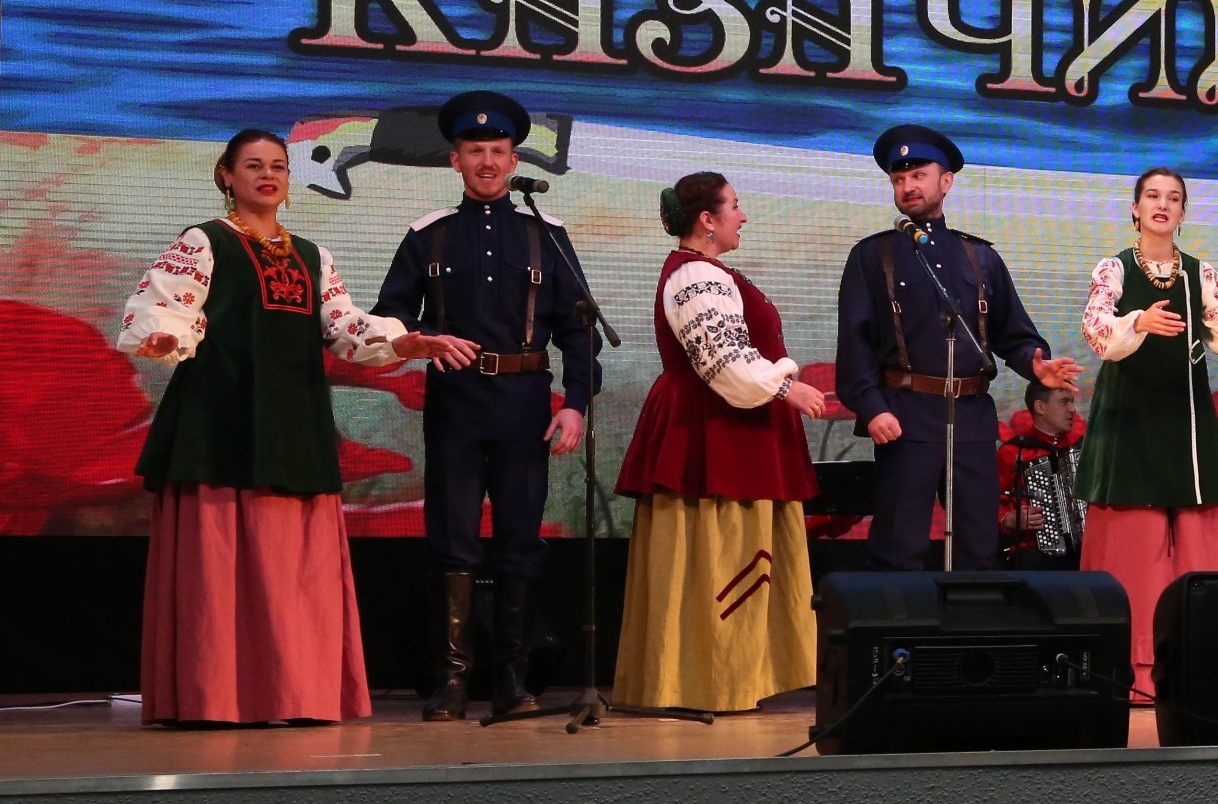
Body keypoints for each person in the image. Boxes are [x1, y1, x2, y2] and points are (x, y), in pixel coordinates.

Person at [117, 129, 470, 725]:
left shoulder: (312, 255)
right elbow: (166, 307)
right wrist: (164, 335)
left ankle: (296, 693)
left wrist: (401, 341)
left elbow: (343, 327)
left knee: (294, 562)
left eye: (278, 166)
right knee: (217, 560)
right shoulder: (205, 241)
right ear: (226, 175)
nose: (268, 175)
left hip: (294, 416)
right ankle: (215, 696)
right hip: (221, 417)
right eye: (253, 165)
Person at [371, 90, 597, 720]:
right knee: (453, 540)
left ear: (515, 159)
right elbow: (390, 315)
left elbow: (579, 329)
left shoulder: (546, 235)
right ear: (456, 161)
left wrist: (576, 403)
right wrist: (419, 338)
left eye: (498, 151)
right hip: (456, 403)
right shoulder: (429, 235)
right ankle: (450, 682)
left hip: (526, 403)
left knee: (521, 539)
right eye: (475, 151)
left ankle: (513, 682)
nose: (488, 162)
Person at [1080, 167, 1218, 693]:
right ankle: (1135, 669)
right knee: (1135, 548)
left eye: (1173, 198)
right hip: (1131, 423)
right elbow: (1097, 332)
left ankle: (1196, 665)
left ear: (1183, 212)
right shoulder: (1113, 269)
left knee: (1196, 542)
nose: (1162, 205)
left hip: (1186, 425)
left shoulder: (1199, 276)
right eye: (1152, 196)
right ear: (1135, 208)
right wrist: (1137, 322)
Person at [613, 173, 826, 712]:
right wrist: (787, 387)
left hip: (731, 426)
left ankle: (731, 678)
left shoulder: (707, 272)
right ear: (707, 220)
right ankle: (711, 681)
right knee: (719, 549)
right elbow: (724, 361)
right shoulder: (696, 277)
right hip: (714, 430)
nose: (743, 215)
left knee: (727, 550)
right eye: (735, 205)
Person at [835, 125, 1082, 570]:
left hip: (971, 416)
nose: (908, 187)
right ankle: (899, 616)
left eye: (919, 176)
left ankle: (976, 615)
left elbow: (1015, 334)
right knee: (899, 547)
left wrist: (1035, 365)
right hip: (904, 414)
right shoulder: (872, 256)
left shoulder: (979, 256)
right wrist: (871, 408)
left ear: (946, 181)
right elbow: (855, 344)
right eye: (898, 179)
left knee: (979, 546)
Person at [998, 382, 1088, 570]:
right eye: (1064, 402)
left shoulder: (1084, 446)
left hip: (1085, 548)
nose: (1072, 409)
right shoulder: (1013, 451)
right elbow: (987, 506)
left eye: (1072, 401)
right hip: (1034, 551)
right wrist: (1007, 520)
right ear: (1040, 407)